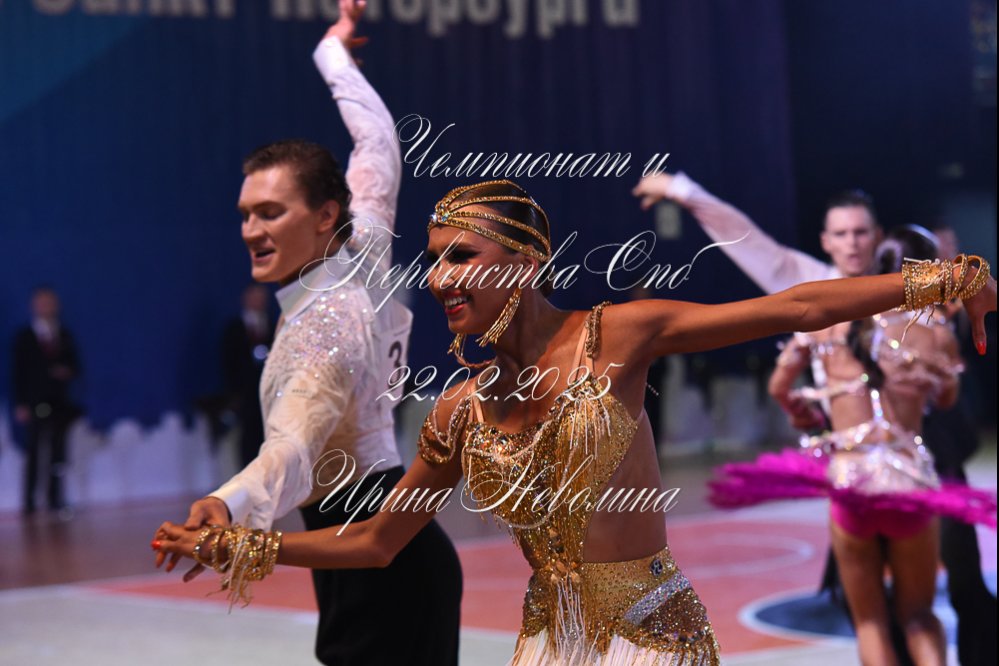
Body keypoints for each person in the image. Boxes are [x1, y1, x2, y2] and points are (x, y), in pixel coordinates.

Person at [154, 179, 995, 666]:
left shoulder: (617, 336)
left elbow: (798, 305)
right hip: (547, 642)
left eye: (461, 255)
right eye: (433, 259)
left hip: (650, 635)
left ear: (525, 263)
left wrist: (946, 279)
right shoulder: (459, 409)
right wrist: (248, 545)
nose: (439, 278)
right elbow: (376, 541)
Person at [157, 4, 462, 665]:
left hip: (373, 564)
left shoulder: (326, 327)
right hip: (385, 550)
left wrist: (225, 503)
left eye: (270, 212)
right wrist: (333, 54)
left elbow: (292, 451)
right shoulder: (363, 250)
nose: (251, 230)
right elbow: (377, 145)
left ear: (325, 216)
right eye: (246, 214)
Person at [635, 173, 998, 666]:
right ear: (826, 241)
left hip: (892, 469)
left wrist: (803, 410)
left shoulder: (877, 296)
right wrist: (685, 192)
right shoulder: (830, 289)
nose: (852, 243)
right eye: (841, 234)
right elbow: (749, 242)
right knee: (906, 614)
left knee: (946, 594)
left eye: (861, 232)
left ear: (878, 236)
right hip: (906, 470)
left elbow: (781, 384)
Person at [711, 226, 995, 665]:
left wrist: (802, 413)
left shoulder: (829, 323)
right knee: (919, 617)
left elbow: (779, 385)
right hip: (909, 481)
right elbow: (947, 399)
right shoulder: (934, 329)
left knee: (870, 622)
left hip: (850, 483)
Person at [13, 286, 81, 517]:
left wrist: (66, 371)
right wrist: (21, 403)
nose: (46, 307)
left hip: (59, 401)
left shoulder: (64, 335)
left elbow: (75, 365)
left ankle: (55, 499)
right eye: (42, 302)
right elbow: (18, 372)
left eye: (50, 302)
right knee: (34, 451)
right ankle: (29, 502)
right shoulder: (25, 337)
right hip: (34, 402)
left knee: (57, 453)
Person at [222, 284, 274, 468]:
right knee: (247, 437)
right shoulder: (234, 328)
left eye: (262, 298)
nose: (258, 302)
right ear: (245, 299)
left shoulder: (272, 325)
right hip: (244, 392)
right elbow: (228, 361)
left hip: (268, 391)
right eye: (255, 297)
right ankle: (247, 472)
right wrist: (233, 393)